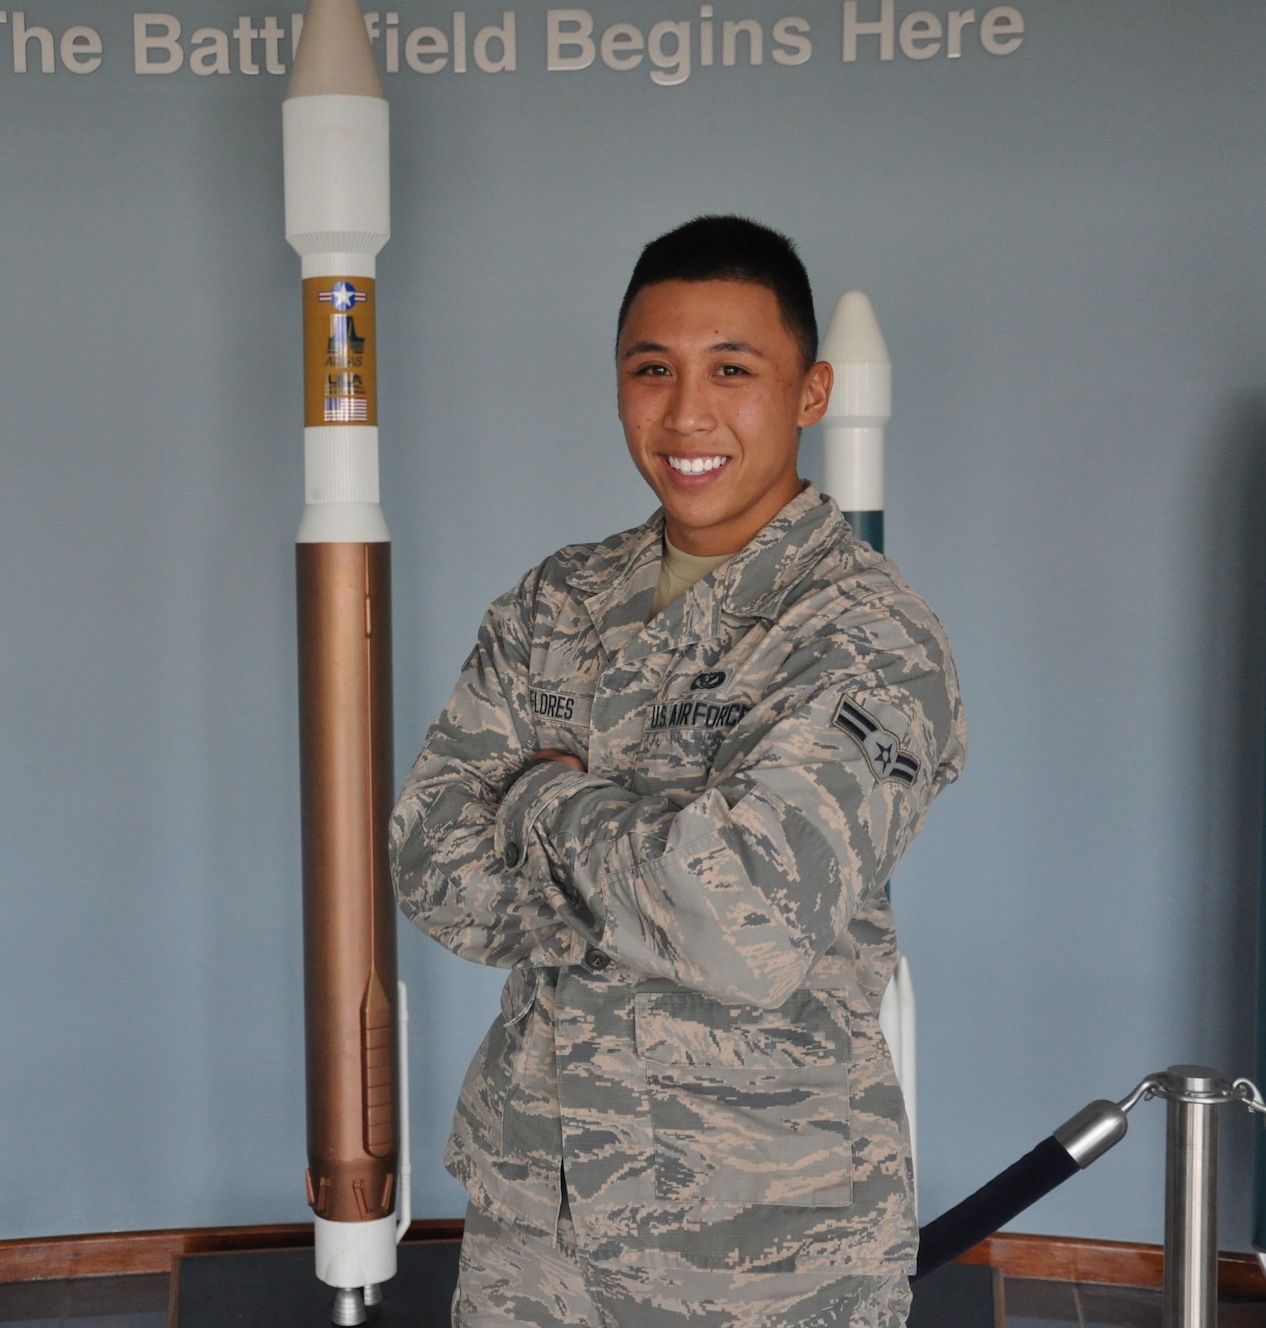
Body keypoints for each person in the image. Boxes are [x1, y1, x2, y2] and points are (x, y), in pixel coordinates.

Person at [388, 215, 967, 1327]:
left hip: (762, 1246)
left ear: (810, 393)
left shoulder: (866, 638)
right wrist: (660, 867)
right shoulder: (554, 599)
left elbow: (740, 927)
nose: (686, 413)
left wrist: (543, 797)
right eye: (651, 370)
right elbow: (430, 865)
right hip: (537, 1220)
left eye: (731, 370)